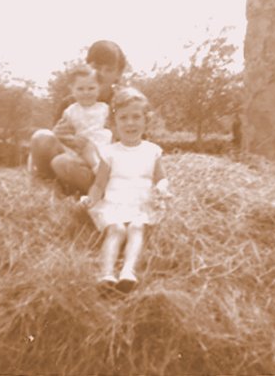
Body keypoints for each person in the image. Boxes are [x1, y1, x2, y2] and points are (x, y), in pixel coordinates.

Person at [79, 87, 171, 292]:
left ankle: (128, 271)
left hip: (141, 204)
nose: (130, 123)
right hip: (115, 203)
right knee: (117, 229)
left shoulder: (152, 151)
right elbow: (99, 184)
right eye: (123, 118)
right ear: (114, 123)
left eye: (136, 117)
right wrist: (91, 199)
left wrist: (162, 188)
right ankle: (106, 273)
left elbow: (161, 178)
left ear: (146, 120)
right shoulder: (109, 152)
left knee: (137, 227)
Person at [28, 40, 127, 195]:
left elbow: (137, 144)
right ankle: (49, 185)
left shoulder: (123, 102)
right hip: (74, 159)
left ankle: (100, 189)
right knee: (42, 139)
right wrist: (58, 135)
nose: (101, 74)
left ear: (118, 74)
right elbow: (54, 144)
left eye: (108, 70)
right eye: (96, 67)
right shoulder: (70, 104)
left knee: (65, 164)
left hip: (105, 164)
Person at [52, 63, 112, 174]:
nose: (86, 93)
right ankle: (97, 169)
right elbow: (61, 134)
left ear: (99, 88)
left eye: (91, 88)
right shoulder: (71, 111)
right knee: (81, 150)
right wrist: (72, 139)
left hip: (104, 146)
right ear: (72, 89)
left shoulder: (105, 109)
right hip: (81, 149)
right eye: (80, 89)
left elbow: (113, 128)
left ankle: (104, 170)